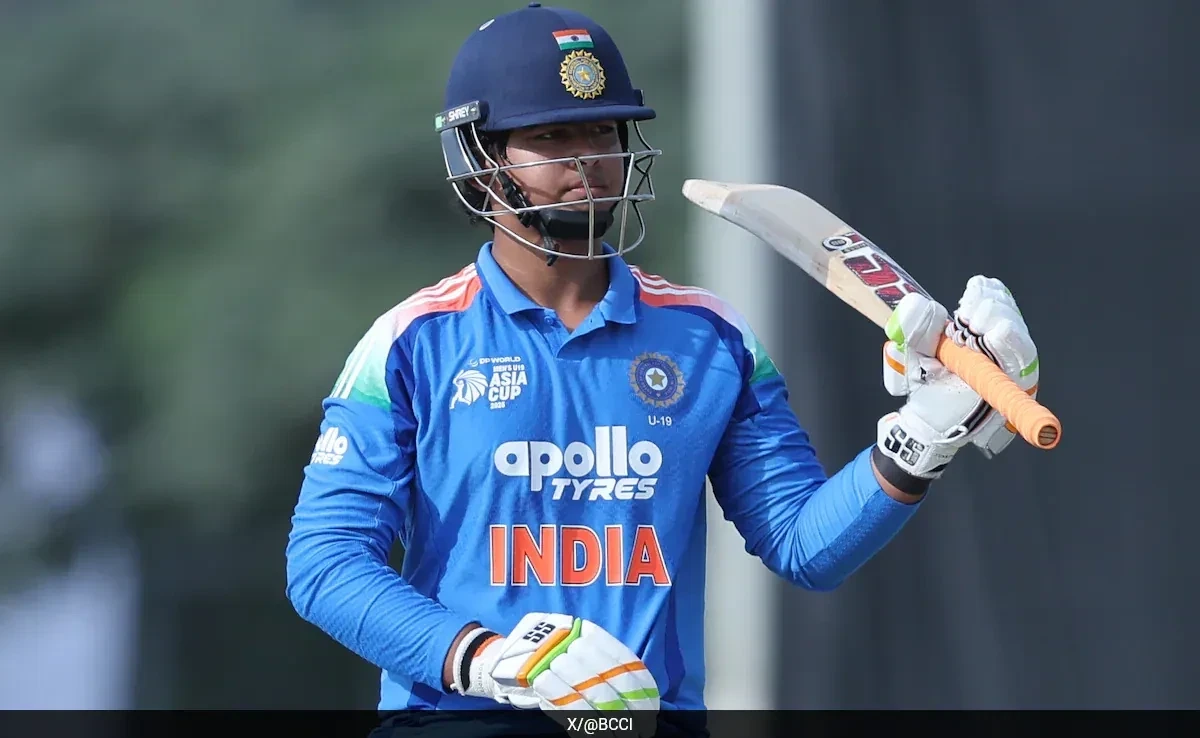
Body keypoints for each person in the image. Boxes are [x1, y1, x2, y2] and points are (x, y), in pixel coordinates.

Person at [285, 3, 1041, 735]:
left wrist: (921, 437)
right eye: (550, 136)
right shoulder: (411, 342)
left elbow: (805, 546)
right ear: (479, 160)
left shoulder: (709, 338)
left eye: (602, 131)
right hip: (460, 719)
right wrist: (486, 659)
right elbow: (324, 563)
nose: (588, 159)